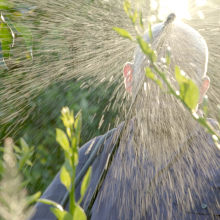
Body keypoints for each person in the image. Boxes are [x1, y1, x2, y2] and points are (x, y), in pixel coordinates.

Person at [31, 14, 220, 220]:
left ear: (202, 90)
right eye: (153, 70)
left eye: (182, 73)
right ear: (129, 77)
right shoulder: (93, 159)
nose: (165, 85)